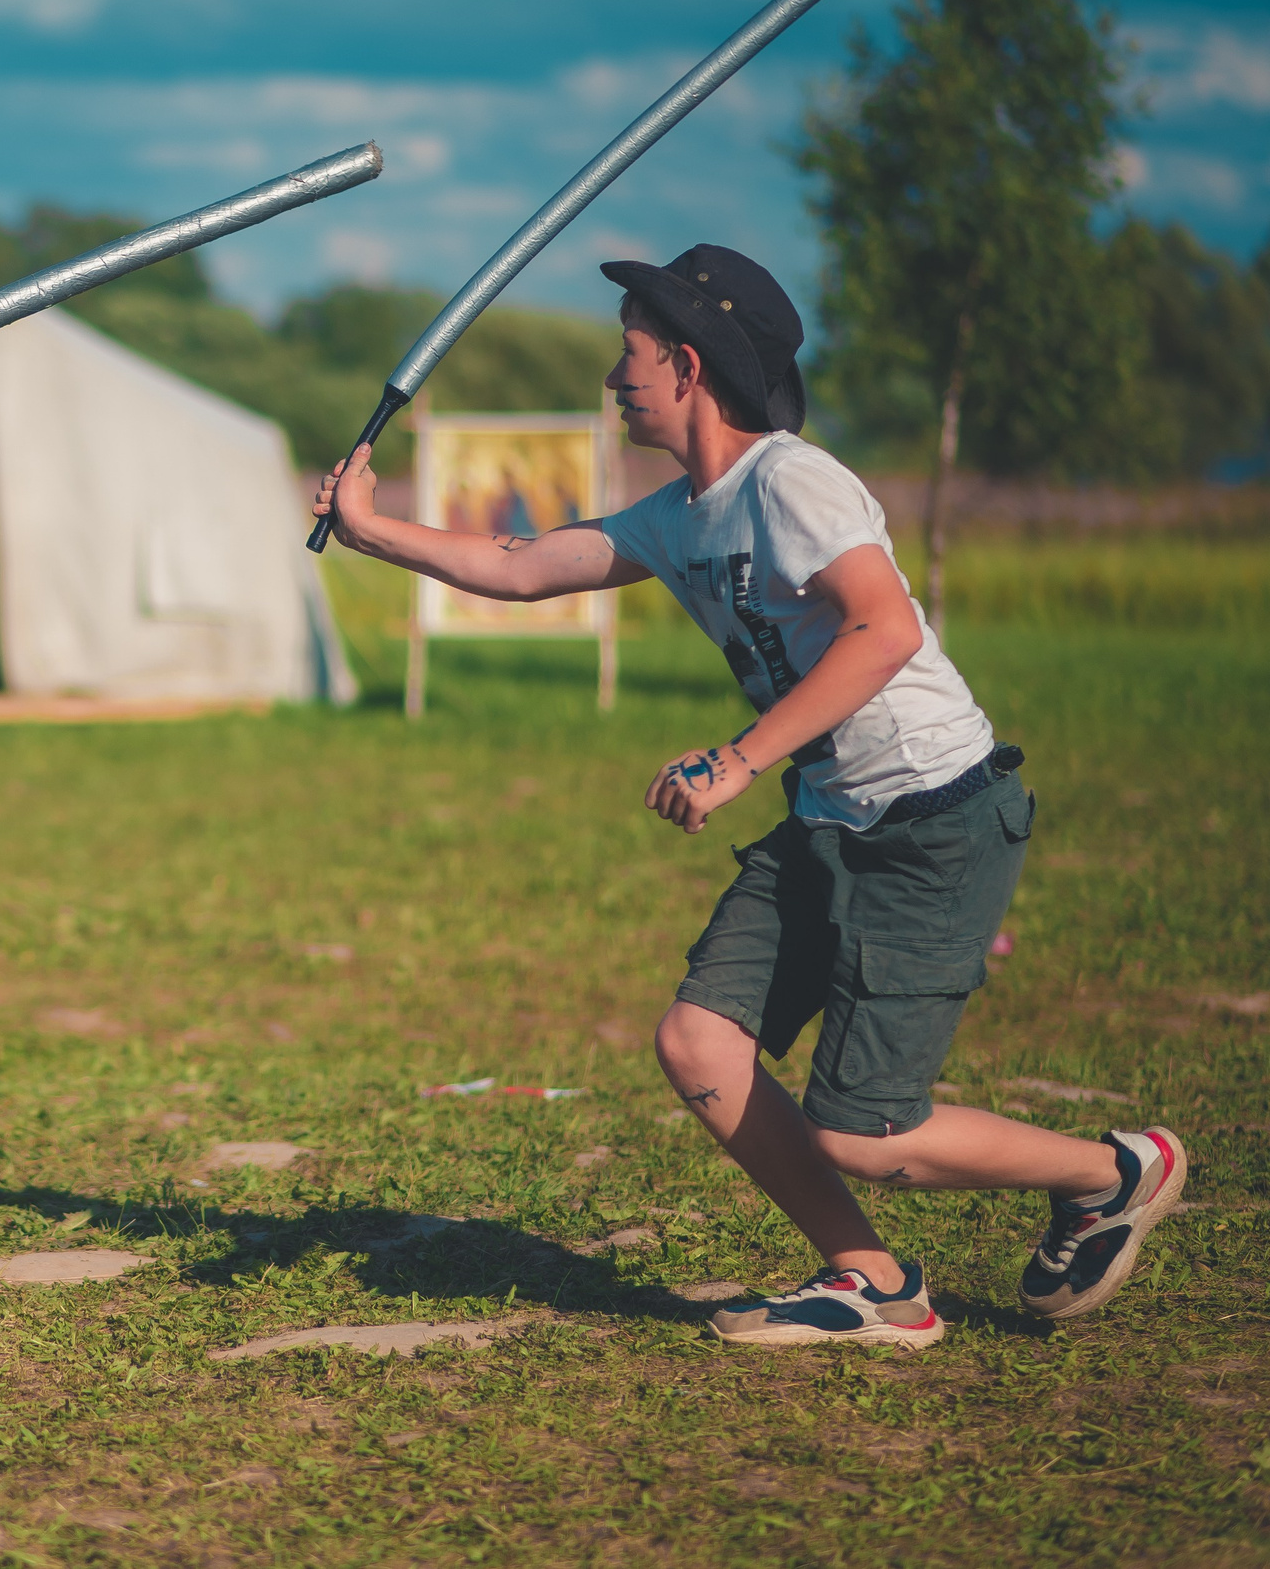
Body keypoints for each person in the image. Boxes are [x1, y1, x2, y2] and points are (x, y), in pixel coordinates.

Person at [311, 244, 1185, 1346]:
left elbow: (885, 628)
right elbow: (524, 566)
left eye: (625, 354)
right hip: (829, 821)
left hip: (931, 819)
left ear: (684, 366)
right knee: (699, 1044)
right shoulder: (680, 513)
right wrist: (371, 528)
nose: (610, 378)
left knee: (863, 1134)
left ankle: (1112, 1172)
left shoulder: (788, 480)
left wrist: (737, 761)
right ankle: (876, 1286)